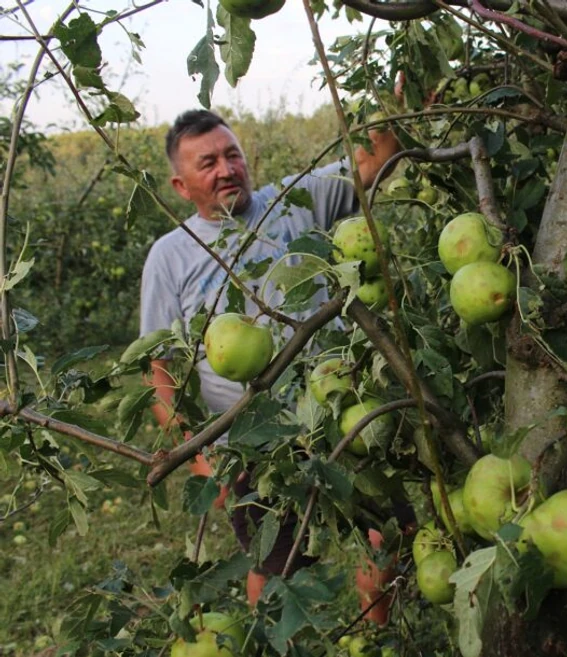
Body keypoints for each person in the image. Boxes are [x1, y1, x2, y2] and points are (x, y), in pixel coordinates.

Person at [141, 108, 400, 608]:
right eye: (208, 162)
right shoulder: (171, 256)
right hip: (253, 444)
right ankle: (274, 639)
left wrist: (391, 105)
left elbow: (373, 163)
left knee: (389, 532)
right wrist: (195, 453)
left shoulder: (295, 200)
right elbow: (162, 367)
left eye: (232, 154)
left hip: (340, 412)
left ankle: (376, 638)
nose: (226, 169)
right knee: (275, 565)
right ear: (180, 184)